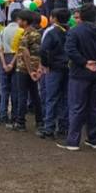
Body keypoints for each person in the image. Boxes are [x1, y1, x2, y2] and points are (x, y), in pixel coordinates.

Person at [59, 4, 96, 152]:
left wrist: (84, 62)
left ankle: (73, 141)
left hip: (79, 73)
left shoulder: (75, 31)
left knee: (77, 107)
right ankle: (94, 138)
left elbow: (70, 50)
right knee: (95, 107)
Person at [39, 9, 70, 140]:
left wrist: (46, 65)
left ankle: (49, 127)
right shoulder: (70, 31)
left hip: (54, 68)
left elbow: (43, 50)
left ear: (54, 18)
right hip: (67, 67)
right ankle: (63, 126)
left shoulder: (51, 33)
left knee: (51, 97)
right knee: (65, 97)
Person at [14, 11, 44, 132]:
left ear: (25, 22)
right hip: (35, 67)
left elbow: (25, 53)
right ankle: (39, 121)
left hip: (24, 68)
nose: (18, 22)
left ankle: (20, 121)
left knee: (22, 95)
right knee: (35, 95)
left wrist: (29, 69)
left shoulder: (26, 35)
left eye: (19, 20)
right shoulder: (37, 34)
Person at [0, 10, 21, 127]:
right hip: (15, 58)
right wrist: (12, 63)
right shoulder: (20, 31)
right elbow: (19, 49)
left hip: (4, 58)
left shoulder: (4, 30)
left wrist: (4, 63)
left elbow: (0, 48)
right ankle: (15, 116)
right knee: (15, 89)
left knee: (4, 89)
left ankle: (2, 114)